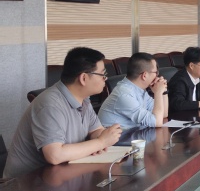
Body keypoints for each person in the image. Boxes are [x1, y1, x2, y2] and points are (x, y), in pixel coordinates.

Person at [4, 47, 122, 178]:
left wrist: (104, 137)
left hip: (62, 175)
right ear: (83, 78)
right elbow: (54, 155)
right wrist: (101, 142)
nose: (105, 79)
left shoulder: (84, 100)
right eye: (102, 74)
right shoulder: (50, 105)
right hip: (26, 183)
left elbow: (96, 130)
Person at [98, 53, 168, 129]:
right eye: (156, 72)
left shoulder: (140, 90)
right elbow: (157, 122)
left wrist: (163, 90)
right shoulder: (124, 94)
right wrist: (158, 92)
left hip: (133, 134)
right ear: (144, 75)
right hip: (119, 136)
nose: (157, 76)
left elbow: (163, 114)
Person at [167, 47, 200, 113]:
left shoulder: (197, 78)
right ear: (191, 66)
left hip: (194, 115)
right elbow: (178, 104)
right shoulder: (179, 80)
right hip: (180, 117)